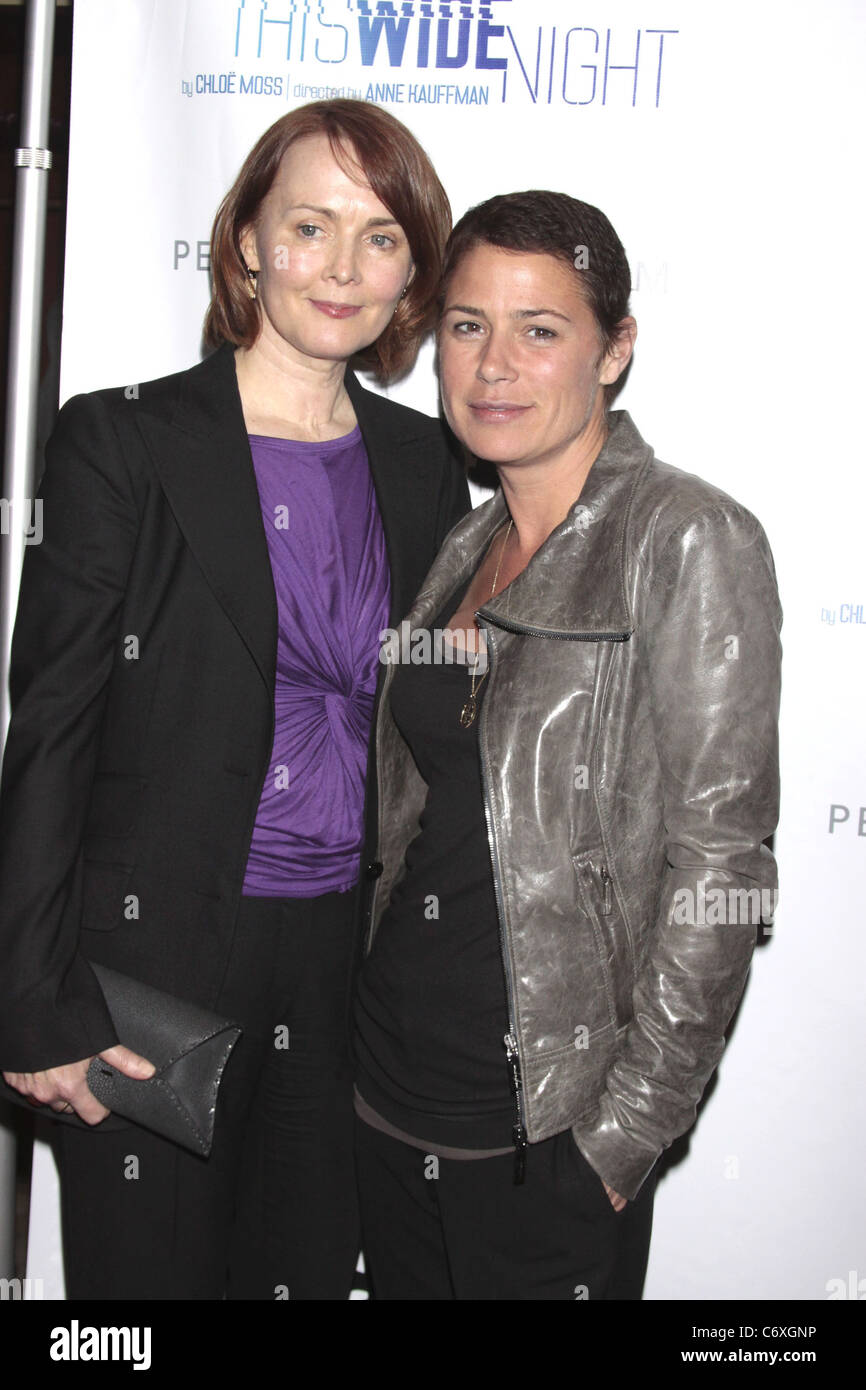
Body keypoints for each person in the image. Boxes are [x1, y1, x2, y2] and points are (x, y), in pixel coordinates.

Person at [0, 99, 469, 1300]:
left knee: (303, 1280)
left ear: (411, 269)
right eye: (308, 225)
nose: (340, 266)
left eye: (380, 237)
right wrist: (35, 1000)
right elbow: (50, 733)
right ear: (247, 243)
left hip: (341, 976)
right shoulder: (122, 442)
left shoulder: (423, 467)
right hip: (149, 969)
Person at [353, 190, 782, 1300]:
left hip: (539, 1141)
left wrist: (619, 1139)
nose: (492, 364)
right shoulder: (464, 538)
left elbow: (722, 869)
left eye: (539, 330)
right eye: (464, 325)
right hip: (385, 1100)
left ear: (612, 350)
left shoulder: (685, 536)